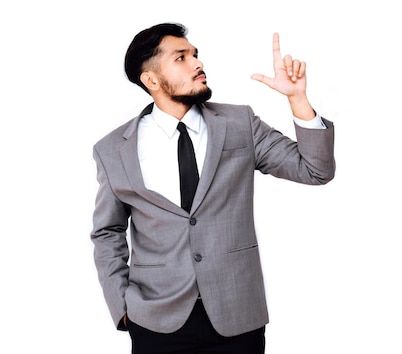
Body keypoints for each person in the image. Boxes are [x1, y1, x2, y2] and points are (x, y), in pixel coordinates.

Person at [90, 23, 335, 354]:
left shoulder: (238, 124)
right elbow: (107, 232)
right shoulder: (112, 150)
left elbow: (315, 170)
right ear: (151, 80)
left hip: (237, 317)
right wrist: (122, 308)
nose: (197, 63)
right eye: (181, 58)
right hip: (155, 321)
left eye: (195, 55)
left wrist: (298, 100)